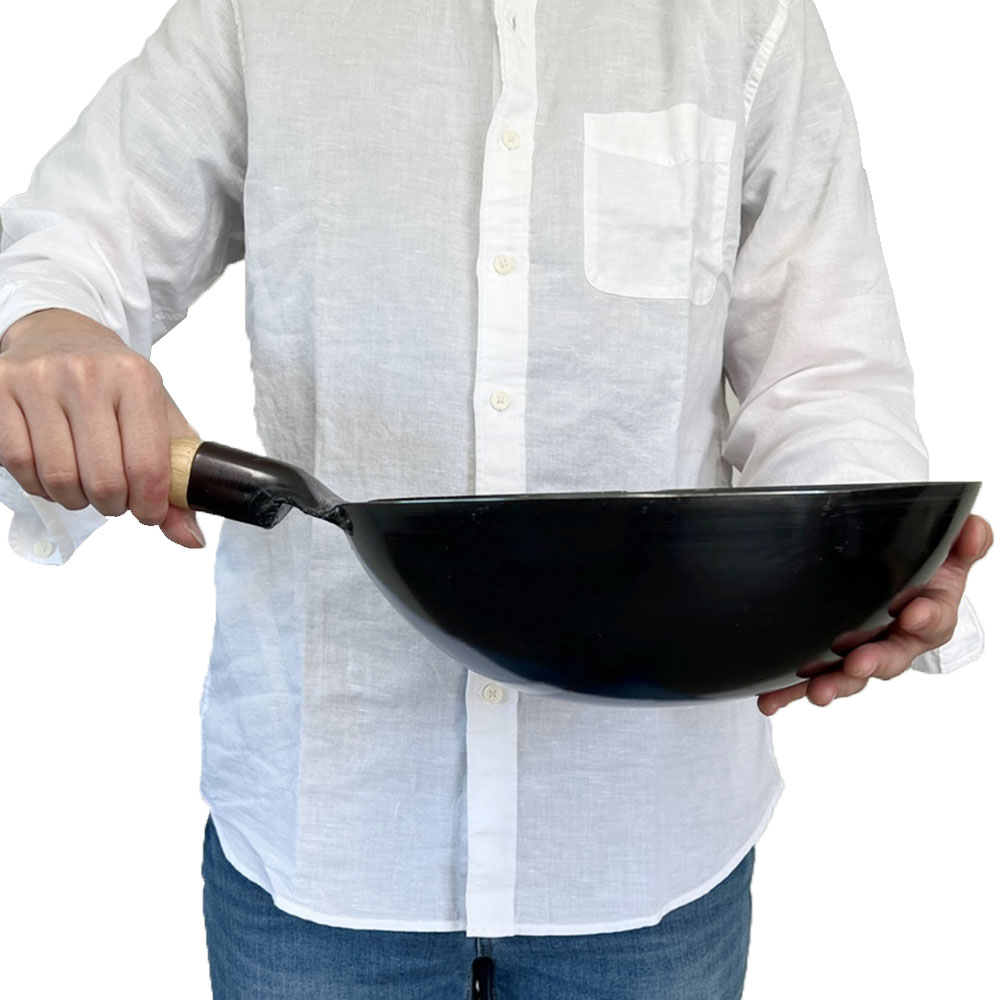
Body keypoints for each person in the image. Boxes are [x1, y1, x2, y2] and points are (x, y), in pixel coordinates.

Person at [0, 1, 991, 998]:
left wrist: (875, 557)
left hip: (646, 838)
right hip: (326, 832)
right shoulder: (260, 13)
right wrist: (46, 327)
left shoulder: (746, 16)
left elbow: (823, 375)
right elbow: (73, 244)